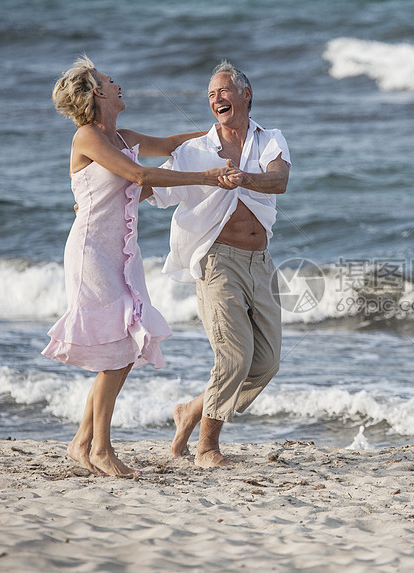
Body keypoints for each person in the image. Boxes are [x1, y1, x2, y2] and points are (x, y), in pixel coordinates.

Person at [44, 55, 233, 477]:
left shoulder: (120, 135)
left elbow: (168, 147)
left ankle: (81, 443)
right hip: (91, 251)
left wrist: (222, 133)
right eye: (111, 81)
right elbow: (139, 174)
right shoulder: (87, 138)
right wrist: (206, 177)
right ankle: (101, 449)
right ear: (97, 92)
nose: (119, 84)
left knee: (124, 345)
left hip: (120, 251)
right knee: (122, 347)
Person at [142, 60, 291, 468]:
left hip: (260, 262)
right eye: (210, 94)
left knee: (266, 363)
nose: (216, 98)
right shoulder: (194, 152)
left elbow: (279, 180)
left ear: (245, 95)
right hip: (216, 261)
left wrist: (244, 177)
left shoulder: (270, 139)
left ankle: (191, 410)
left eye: (223, 90)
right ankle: (207, 447)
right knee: (234, 357)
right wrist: (103, 201)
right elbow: (155, 189)